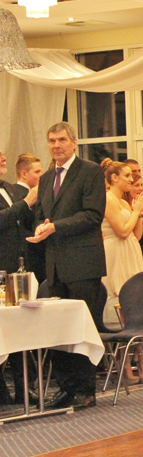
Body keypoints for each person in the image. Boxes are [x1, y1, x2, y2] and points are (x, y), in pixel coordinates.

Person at [26, 122, 107, 410]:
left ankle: (85, 390)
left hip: (84, 263)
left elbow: (93, 215)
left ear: (74, 142)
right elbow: (41, 215)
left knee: (81, 329)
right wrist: (41, 227)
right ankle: (65, 388)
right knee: (57, 330)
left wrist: (55, 227)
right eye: (51, 141)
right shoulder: (47, 177)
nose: (56, 145)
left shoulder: (90, 171)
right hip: (55, 264)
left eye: (61, 140)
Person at [99, 159, 143, 384]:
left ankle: (140, 360)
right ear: (114, 178)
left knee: (135, 307)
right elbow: (121, 231)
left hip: (131, 251)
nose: (132, 179)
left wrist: (138, 213)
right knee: (122, 307)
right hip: (116, 253)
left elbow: (136, 234)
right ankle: (126, 365)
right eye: (127, 175)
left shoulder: (123, 201)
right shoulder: (108, 199)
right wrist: (135, 211)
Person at [0, 148, 38, 406]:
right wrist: (25, 203)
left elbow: (21, 220)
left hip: (17, 267)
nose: (4, 158)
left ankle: (25, 388)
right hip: (1, 269)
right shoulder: (18, 195)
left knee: (21, 328)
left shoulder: (10, 189)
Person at [11, 153, 45, 283]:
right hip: (31, 256)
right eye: (37, 172)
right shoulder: (20, 195)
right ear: (24, 174)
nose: (41, 175)